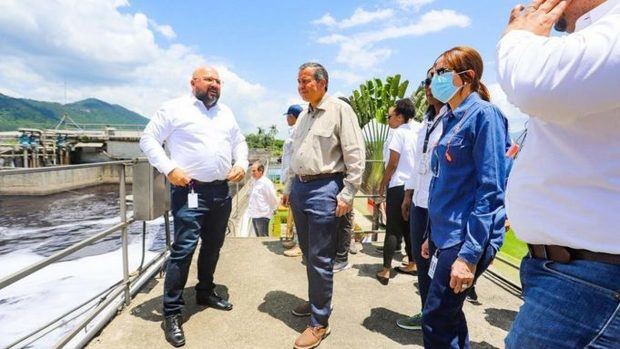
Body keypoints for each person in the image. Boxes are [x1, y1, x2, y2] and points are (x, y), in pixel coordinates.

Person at [497, 1, 620, 347]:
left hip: (592, 282)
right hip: (575, 276)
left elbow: (533, 84)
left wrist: (517, 37)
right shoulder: (592, 38)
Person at [140, 65, 248, 347]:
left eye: (218, 80)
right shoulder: (174, 109)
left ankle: (205, 291)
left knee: (213, 245)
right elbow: (148, 138)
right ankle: (172, 312)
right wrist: (168, 167)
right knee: (184, 249)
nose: (214, 84)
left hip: (221, 191)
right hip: (189, 190)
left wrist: (241, 163)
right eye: (208, 79)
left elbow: (240, 141)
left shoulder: (226, 113)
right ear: (193, 82)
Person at [422, 46, 510, 348]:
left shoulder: (485, 116)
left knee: (436, 319)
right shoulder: (448, 117)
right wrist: (429, 235)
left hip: (464, 236)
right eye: (433, 73)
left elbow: (491, 189)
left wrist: (469, 256)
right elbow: (441, 182)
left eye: (441, 73)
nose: (434, 79)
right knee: (449, 317)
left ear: (467, 76)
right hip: (443, 234)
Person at [281, 62, 365, 349]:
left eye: (306, 81)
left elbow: (355, 152)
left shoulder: (340, 110)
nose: (301, 87)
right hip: (301, 188)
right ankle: (319, 301)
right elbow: (296, 154)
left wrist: (348, 192)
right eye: (299, 82)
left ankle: (319, 323)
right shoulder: (304, 115)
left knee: (319, 256)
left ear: (323, 82)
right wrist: (290, 188)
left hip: (325, 186)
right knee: (308, 252)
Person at [397, 67, 447, 330]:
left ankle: (439, 319)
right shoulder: (426, 123)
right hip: (420, 202)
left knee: (441, 268)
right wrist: (408, 195)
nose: (428, 86)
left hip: (441, 207)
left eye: (434, 81)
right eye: (425, 81)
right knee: (422, 260)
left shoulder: (456, 119)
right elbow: (419, 164)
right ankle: (426, 312)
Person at [375, 98, 420, 285]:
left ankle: (385, 270)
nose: (388, 119)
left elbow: (392, 163)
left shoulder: (398, 134)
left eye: (390, 116)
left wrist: (382, 185)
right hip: (413, 185)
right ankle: (412, 263)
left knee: (392, 229)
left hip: (398, 185)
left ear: (400, 117)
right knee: (408, 227)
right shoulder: (418, 131)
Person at [281, 105, 305, 257]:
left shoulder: (297, 131)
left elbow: (294, 157)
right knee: (294, 212)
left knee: (298, 213)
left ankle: (300, 244)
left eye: (288, 116)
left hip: (295, 176)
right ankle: (295, 239)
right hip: (289, 175)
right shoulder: (293, 130)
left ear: (292, 116)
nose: (286, 119)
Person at [248, 161, 278, 237]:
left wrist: (274, 209)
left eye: (254, 171)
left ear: (261, 171)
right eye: (252, 171)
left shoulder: (266, 183)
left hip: (263, 215)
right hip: (254, 215)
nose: (252, 173)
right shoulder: (254, 182)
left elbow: (272, 198)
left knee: (263, 238)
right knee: (258, 240)